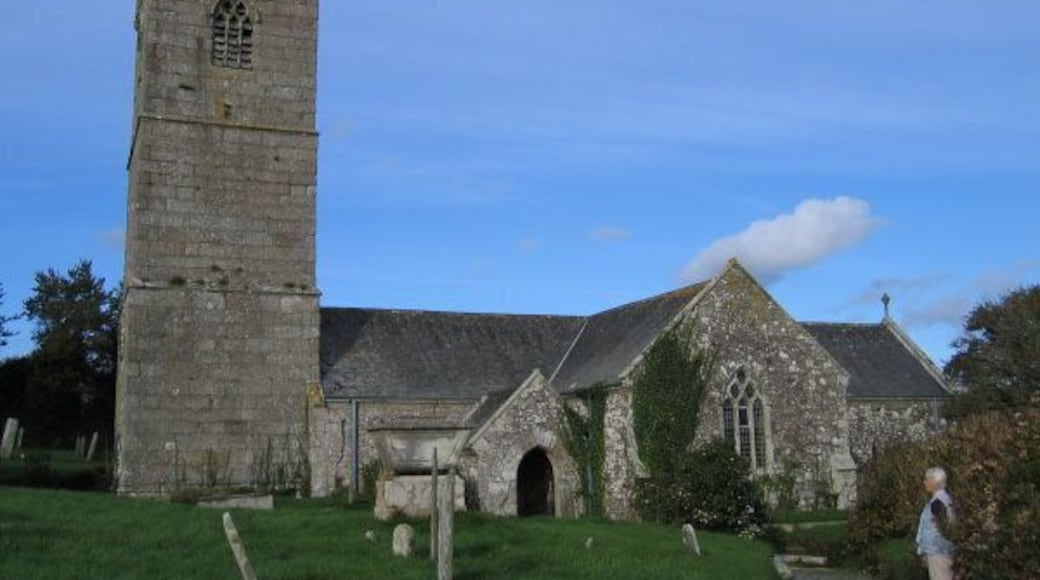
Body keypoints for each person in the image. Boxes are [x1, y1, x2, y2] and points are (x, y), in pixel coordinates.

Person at [915, 466, 955, 580]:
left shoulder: (938, 503)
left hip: (939, 553)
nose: (924, 482)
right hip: (938, 551)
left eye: (927, 479)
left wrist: (934, 549)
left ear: (935, 482)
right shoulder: (940, 500)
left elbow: (945, 528)